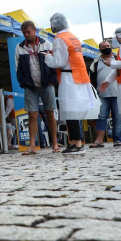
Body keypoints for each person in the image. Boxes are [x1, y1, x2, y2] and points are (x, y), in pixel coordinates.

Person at [44, 13, 99, 155]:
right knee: (74, 111)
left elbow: (59, 62)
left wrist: (48, 57)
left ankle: (76, 143)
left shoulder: (59, 39)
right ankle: (76, 142)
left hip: (68, 77)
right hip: (78, 75)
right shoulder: (72, 37)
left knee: (70, 111)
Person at [14, 20, 59, 154]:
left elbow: (54, 64)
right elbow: (18, 68)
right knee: (32, 114)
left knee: (50, 112)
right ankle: (32, 145)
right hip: (30, 86)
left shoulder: (47, 44)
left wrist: (52, 81)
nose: (26, 35)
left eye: (28, 32)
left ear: (34, 31)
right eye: (24, 33)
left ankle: (55, 143)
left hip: (47, 84)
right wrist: (23, 83)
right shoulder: (19, 47)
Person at [89, 40, 121, 148]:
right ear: (100, 49)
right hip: (102, 95)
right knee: (100, 116)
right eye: (104, 46)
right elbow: (91, 78)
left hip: (118, 94)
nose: (107, 47)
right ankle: (99, 140)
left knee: (118, 117)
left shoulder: (118, 58)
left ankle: (117, 139)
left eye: (108, 45)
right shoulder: (95, 62)